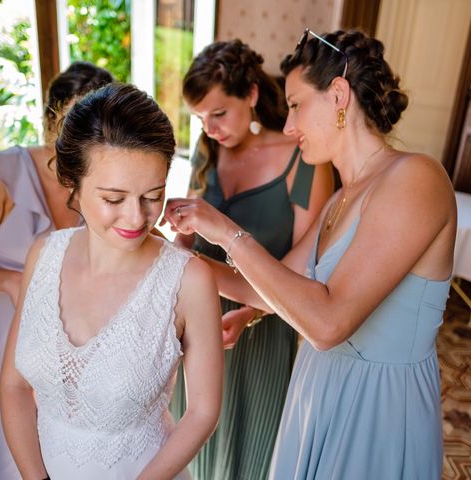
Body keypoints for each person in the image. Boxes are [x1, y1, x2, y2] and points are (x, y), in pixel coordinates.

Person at [164, 29, 456, 479]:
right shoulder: (342, 199)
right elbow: (266, 285)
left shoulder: (416, 177)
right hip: (317, 388)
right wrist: (167, 257)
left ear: (338, 95)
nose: (288, 125)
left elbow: (327, 322)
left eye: (297, 104)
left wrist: (224, 229)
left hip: (377, 404)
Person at [0, 83, 224, 480]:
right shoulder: (42, 256)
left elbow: (203, 411)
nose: (137, 218)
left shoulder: (188, 280)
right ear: (72, 182)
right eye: (114, 199)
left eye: (152, 195)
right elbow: (14, 386)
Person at [169, 39, 334, 480]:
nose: (210, 129)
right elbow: (187, 239)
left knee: (249, 445)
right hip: (197, 316)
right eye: (200, 118)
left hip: (263, 322)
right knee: (190, 431)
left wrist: (248, 314)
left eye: (219, 114)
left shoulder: (305, 162)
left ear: (253, 97)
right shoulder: (208, 151)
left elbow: (305, 273)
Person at [0, 61, 114, 479]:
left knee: (61, 454)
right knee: (4, 455)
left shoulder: (101, 180)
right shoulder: (1, 174)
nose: (85, 138)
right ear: (51, 119)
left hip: (70, 338)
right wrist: (12, 282)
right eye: (76, 122)